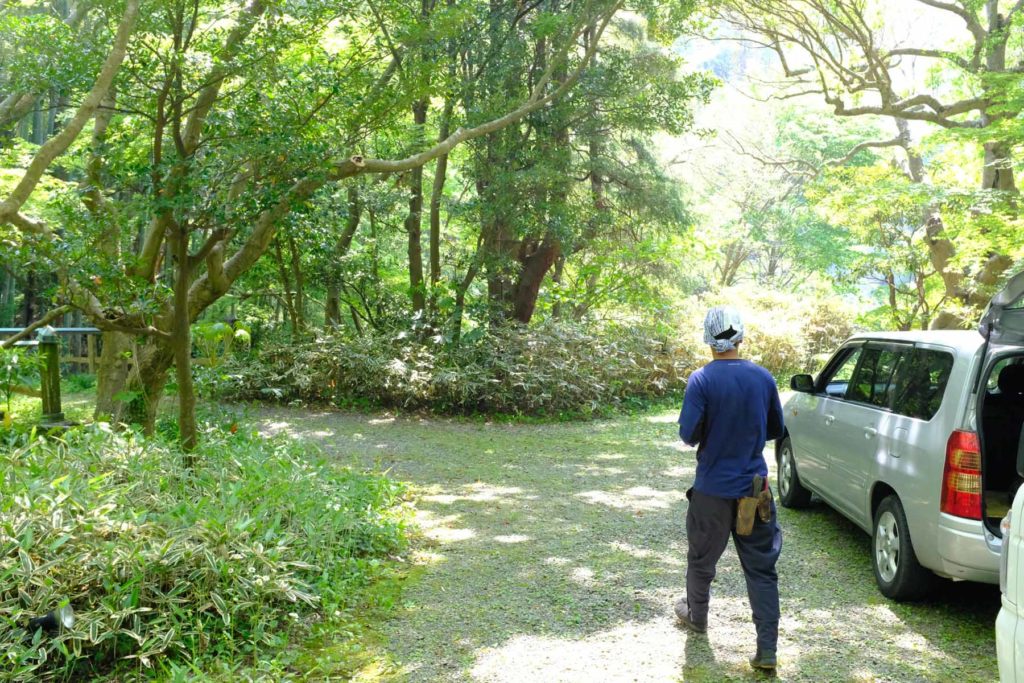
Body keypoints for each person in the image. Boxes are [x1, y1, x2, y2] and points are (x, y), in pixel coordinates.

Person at [674, 305, 785, 673]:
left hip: (711, 490)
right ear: (741, 336)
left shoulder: (701, 380)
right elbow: (774, 430)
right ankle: (766, 649)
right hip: (754, 489)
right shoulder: (764, 378)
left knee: (701, 559)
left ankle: (697, 616)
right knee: (761, 569)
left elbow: (688, 435)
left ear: (708, 338)